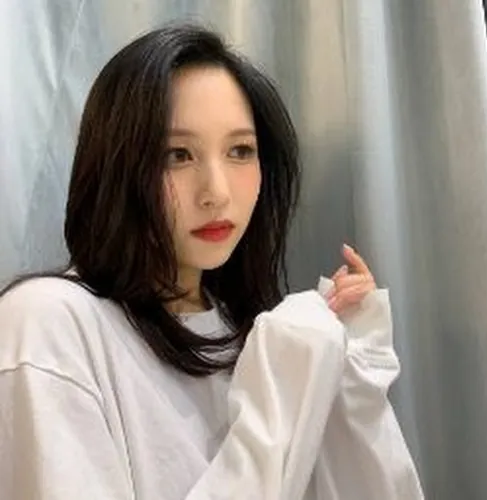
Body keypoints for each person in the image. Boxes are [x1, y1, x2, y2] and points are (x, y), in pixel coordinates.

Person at [0, 24, 424, 499]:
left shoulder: (250, 335)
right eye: (177, 155)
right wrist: (286, 387)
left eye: (240, 150)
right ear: (116, 167)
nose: (216, 192)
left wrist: (349, 378)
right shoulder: (48, 325)